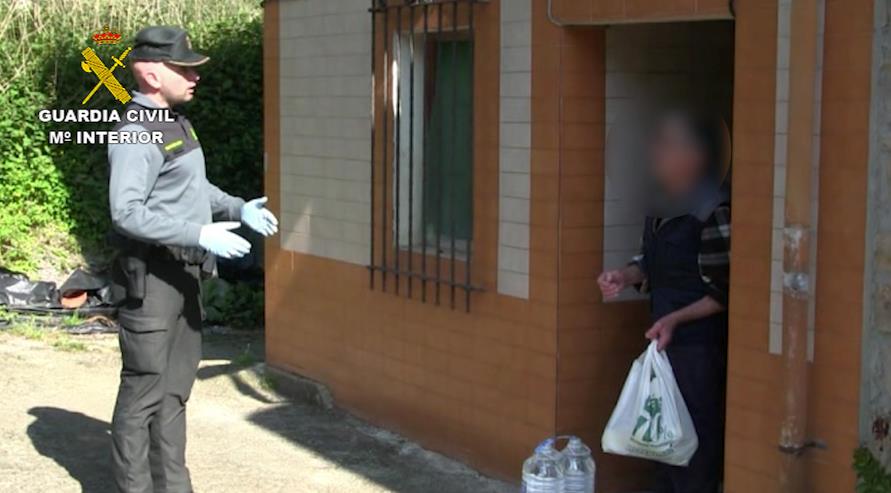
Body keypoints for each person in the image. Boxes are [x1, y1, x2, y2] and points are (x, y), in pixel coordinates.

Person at [107, 26, 278, 493]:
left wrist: (235, 207)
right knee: (143, 393)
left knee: (174, 393)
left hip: (185, 275)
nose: (194, 76)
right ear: (150, 73)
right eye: (183, 68)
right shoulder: (134, 133)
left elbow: (190, 188)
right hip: (152, 281)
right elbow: (126, 212)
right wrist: (197, 232)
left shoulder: (174, 124)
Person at [598, 112, 731, 493]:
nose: (656, 155)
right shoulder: (660, 206)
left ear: (695, 156)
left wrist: (675, 320)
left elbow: (724, 291)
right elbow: (648, 262)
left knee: (694, 450)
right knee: (660, 444)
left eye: (667, 146)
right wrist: (623, 276)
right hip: (663, 344)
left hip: (698, 350)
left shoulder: (712, 210)